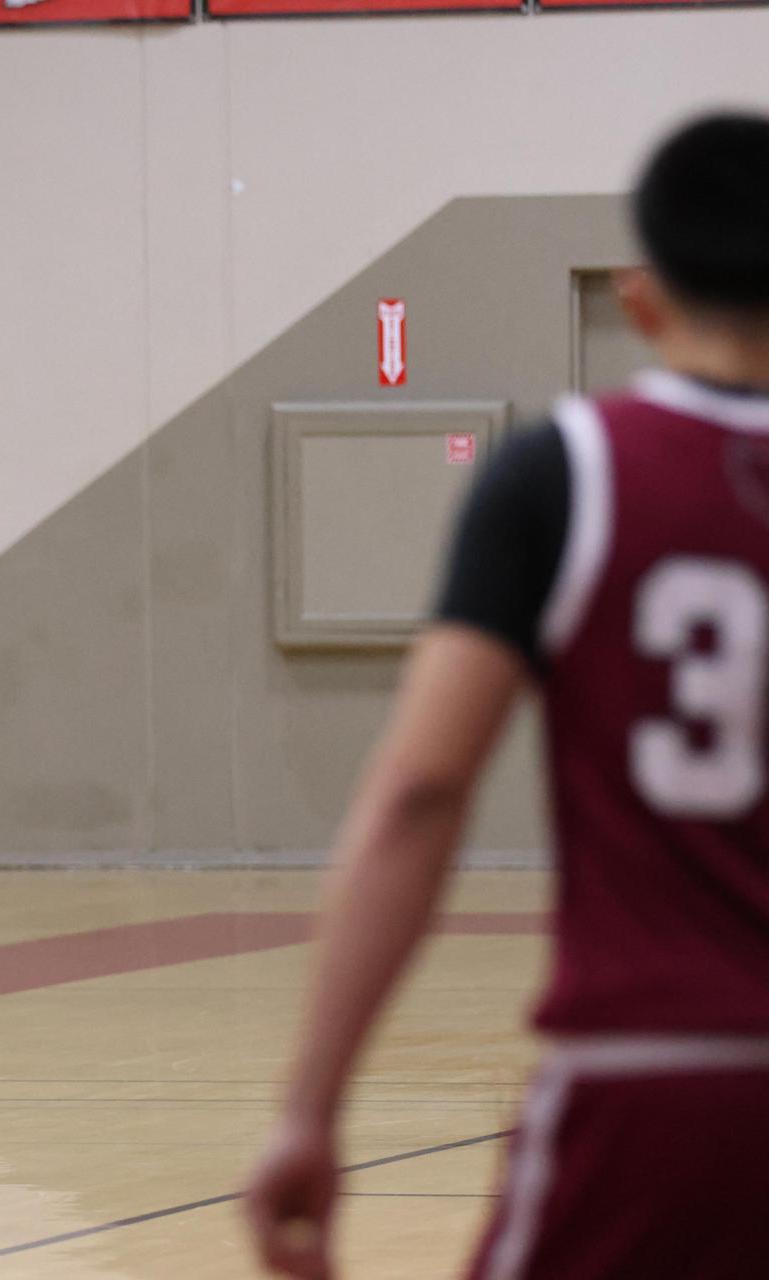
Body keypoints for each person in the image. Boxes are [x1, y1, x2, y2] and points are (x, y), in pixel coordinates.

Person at [245, 112, 769, 1279]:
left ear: (641, 300)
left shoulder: (564, 473)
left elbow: (422, 791)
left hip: (643, 1085)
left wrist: (310, 1106)